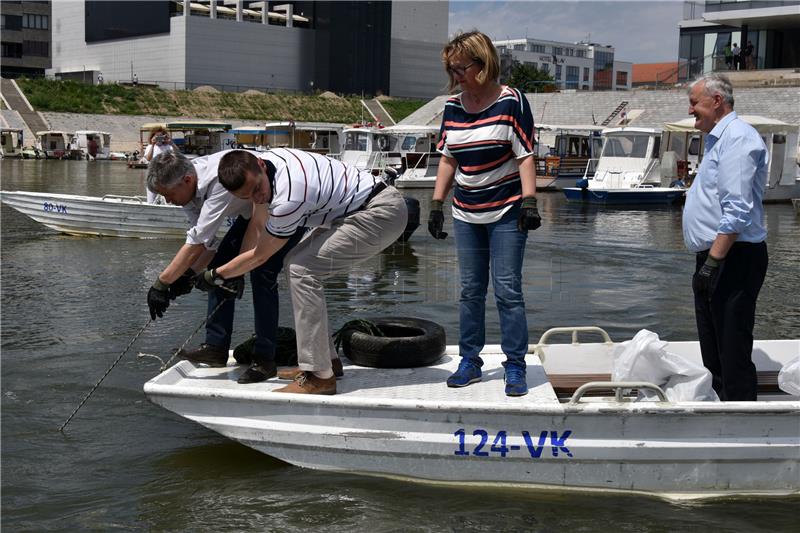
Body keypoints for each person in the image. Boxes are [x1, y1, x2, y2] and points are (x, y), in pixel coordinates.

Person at [195, 148, 408, 395]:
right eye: (248, 197)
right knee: (294, 263)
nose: (258, 198)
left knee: (301, 269)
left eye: (257, 189)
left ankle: (320, 377)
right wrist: (227, 272)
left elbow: (260, 255)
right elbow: (258, 235)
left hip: (380, 213)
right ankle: (326, 362)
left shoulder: (289, 195)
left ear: (262, 166)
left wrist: (216, 274)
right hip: (359, 209)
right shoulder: (269, 164)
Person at [427, 30, 541, 397]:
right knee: (470, 291)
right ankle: (470, 362)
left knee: (508, 290)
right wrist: (435, 204)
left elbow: (524, 154)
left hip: (507, 211)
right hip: (466, 212)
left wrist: (530, 201)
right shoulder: (452, 107)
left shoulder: (512, 101)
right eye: (452, 68)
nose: (456, 75)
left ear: (483, 62)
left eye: (461, 67)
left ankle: (516, 366)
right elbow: (447, 157)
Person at [146, 150, 303, 384]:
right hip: (252, 213)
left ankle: (265, 359)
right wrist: (188, 276)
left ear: (187, 181)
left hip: (282, 207)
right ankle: (216, 347)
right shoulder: (187, 189)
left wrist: (162, 283)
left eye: (168, 195)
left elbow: (198, 242)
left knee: (262, 274)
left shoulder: (217, 182)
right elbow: (204, 243)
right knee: (220, 268)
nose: (168, 201)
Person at [683, 73, 768, 401]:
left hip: (733, 258)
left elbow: (737, 210)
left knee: (731, 349)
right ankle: (720, 413)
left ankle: (741, 420)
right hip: (716, 258)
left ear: (716, 101)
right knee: (713, 349)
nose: (691, 110)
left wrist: (714, 262)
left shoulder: (738, 138)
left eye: (694, 102)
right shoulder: (719, 139)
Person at [144, 127, 178, 203]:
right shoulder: (150, 147)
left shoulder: (169, 147)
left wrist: (171, 143)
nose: (159, 139)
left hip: (166, 178)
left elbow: (178, 154)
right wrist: (152, 145)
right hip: (153, 177)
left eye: (161, 136)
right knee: (151, 201)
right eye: (157, 136)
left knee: (167, 201)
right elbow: (148, 158)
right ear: (153, 137)